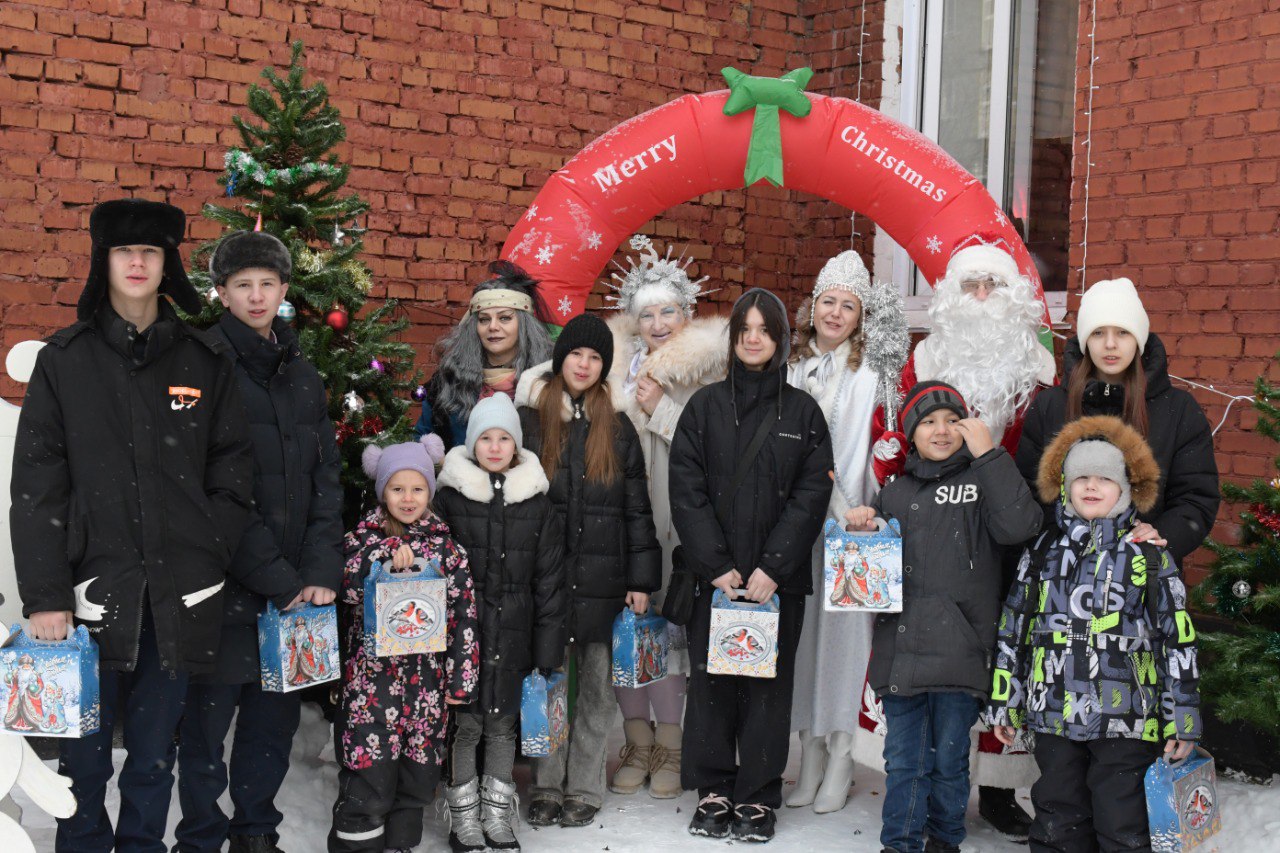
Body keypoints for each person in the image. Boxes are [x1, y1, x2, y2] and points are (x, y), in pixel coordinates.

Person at [11, 198, 254, 853]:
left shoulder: (203, 361)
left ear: (167, 262)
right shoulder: (66, 361)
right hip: (88, 595)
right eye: (125, 251)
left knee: (152, 759)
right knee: (84, 760)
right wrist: (46, 595)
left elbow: (233, 471)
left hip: (179, 596)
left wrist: (207, 550)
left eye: (151, 250)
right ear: (105, 260)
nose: (138, 262)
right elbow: (36, 488)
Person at [869, 238, 1055, 836]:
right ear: (950, 297)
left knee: (1002, 666)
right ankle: (922, 805)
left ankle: (998, 788)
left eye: (991, 285)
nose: (979, 296)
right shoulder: (925, 360)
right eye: (969, 285)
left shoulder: (1040, 369)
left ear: (1012, 296)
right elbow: (892, 436)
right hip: (934, 535)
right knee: (938, 700)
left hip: (1015, 531)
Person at [174, 229, 344, 853]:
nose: (255, 296)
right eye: (242, 285)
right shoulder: (200, 365)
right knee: (205, 727)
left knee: (271, 727)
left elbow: (326, 478)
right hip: (222, 587)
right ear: (221, 293)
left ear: (283, 290)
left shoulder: (302, 374)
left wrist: (319, 569)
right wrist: (278, 576)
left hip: (295, 593)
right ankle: (200, 836)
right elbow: (204, 488)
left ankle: (255, 832)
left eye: (266, 284)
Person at [987, 414, 1200, 851]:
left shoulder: (1149, 557)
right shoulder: (1042, 551)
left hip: (1128, 720)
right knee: (1057, 818)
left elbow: (1177, 640)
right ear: (1064, 486)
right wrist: (1005, 702)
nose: (1091, 486)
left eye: (1104, 478)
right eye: (1080, 477)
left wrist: (1182, 718)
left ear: (1126, 489)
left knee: (1122, 821)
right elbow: (1014, 630)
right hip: (1053, 713)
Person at [668, 288, 834, 843]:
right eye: (745, 329)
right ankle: (713, 788)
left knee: (768, 691)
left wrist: (774, 568)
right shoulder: (704, 407)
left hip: (775, 584)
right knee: (712, 685)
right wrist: (715, 564)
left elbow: (811, 496)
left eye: (765, 329)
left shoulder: (803, 413)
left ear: (781, 338)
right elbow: (685, 489)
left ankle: (759, 794)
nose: (754, 338)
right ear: (734, 337)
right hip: (714, 581)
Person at [846, 381, 1041, 853]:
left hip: (962, 652)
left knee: (951, 761)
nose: (941, 430)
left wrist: (989, 456)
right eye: (928, 422)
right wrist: (862, 538)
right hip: (901, 654)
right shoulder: (894, 494)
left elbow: (1021, 526)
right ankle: (900, 843)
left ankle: (945, 841)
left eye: (952, 420)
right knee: (904, 761)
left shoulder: (983, 483)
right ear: (911, 434)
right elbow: (869, 591)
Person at [514, 312, 661, 828]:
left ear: (604, 366)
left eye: (595, 357)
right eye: (576, 353)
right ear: (560, 359)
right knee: (550, 682)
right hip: (547, 581)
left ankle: (584, 785)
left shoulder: (618, 428)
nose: (583, 364)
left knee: (597, 690)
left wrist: (641, 580)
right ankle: (546, 785)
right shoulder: (531, 421)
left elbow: (637, 509)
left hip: (605, 580)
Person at [603, 234, 726, 799]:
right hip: (624, 526)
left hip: (678, 526)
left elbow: (716, 453)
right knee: (628, 633)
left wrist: (662, 409)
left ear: (686, 313)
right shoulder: (614, 372)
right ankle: (637, 739)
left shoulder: (708, 374)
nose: (657, 324)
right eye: (647, 314)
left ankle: (672, 745)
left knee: (669, 636)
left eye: (668, 311)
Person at [329, 435, 480, 853]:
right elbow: (345, 587)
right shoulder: (362, 542)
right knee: (369, 776)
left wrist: (461, 680)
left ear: (430, 492)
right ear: (383, 492)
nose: (408, 498)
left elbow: (463, 616)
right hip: (371, 691)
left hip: (426, 693)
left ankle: (400, 844)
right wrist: (379, 565)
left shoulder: (447, 550)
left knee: (417, 778)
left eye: (417, 489)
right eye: (397, 488)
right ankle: (358, 846)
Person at [786, 250, 895, 814]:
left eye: (847, 305)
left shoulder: (871, 375)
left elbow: (877, 446)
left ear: (860, 316)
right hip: (797, 525)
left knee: (847, 645)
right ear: (813, 307)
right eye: (827, 301)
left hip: (850, 525)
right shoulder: (793, 370)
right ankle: (808, 752)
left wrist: (861, 505)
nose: (835, 313)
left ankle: (843, 755)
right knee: (804, 642)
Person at [434, 394, 567, 852]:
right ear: (472, 443)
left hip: (515, 637)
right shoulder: (451, 499)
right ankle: (464, 819)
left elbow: (549, 582)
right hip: (464, 639)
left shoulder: (537, 505)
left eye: (504, 438)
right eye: (485, 438)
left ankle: (496, 815)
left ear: (517, 444)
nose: (494, 447)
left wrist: (547, 649)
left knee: (502, 727)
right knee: (467, 726)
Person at [1016, 277, 1220, 570]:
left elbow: (1196, 496)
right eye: (1098, 332)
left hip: (1142, 575)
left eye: (1122, 332)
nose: (1110, 344)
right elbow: (1029, 490)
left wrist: (1162, 534)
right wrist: (1057, 543)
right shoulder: (1051, 406)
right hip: (1061, 576)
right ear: (1085, 340)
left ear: (1138, 338)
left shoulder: (1177, 410)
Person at [414, 261, 553, 446]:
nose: (493, 327)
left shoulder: (549, 380)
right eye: (484, 319)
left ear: (524, 325)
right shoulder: (449, 379)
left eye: (504, 318)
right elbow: (422, 440)